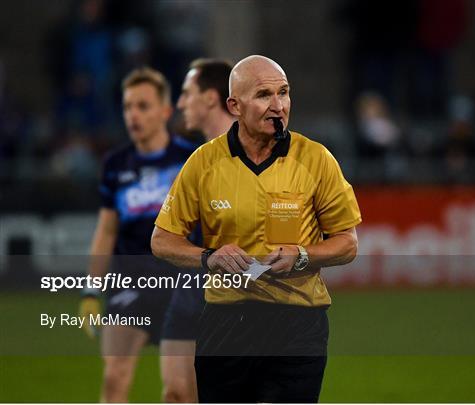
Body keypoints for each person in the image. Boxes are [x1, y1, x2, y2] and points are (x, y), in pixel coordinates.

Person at [151, 55, 361, 403]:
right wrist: (209, 257)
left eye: (284, 92)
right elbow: (162, 240)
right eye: (264, 95)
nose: (278, 105)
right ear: (234, 105)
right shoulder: (204, 163)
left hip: (298, 322)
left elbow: (347, 244)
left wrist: (302, 255)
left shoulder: (316, 159)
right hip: (227, 322)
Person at [78, 67, 200, 402]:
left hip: (180, 284)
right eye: (128, 106)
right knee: (115, 377)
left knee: (180, 391)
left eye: (143, 106)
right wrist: (91, 290)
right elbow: (107, 229)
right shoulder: (115, 164)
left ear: (165, 110)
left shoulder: (191, 160)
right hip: (129, 283)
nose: (133, 114)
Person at [159, 58, 234, 403]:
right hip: (189, 290)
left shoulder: (259, 155)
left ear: (209, 98)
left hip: (237, 300)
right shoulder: (193, 163)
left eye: (187, 93)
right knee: (176, 394)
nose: (180, 103)